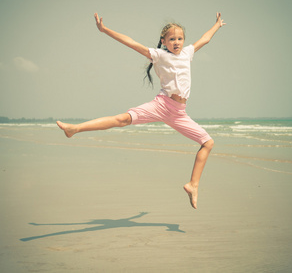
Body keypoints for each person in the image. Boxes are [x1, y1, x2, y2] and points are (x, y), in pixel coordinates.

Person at [57, 12, 226, 209]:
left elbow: (205, 39)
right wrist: (105, 30)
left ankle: (193, 185)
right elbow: (131, 42)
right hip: (162, 105)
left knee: (208, 142)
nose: (177, 42)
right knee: (122, 119)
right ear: (164, 41)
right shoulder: (159, 55)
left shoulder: (188, 52)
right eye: (172, 39)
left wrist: (216, 25)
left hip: (179, 112)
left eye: (180, 38)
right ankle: (74, 129)